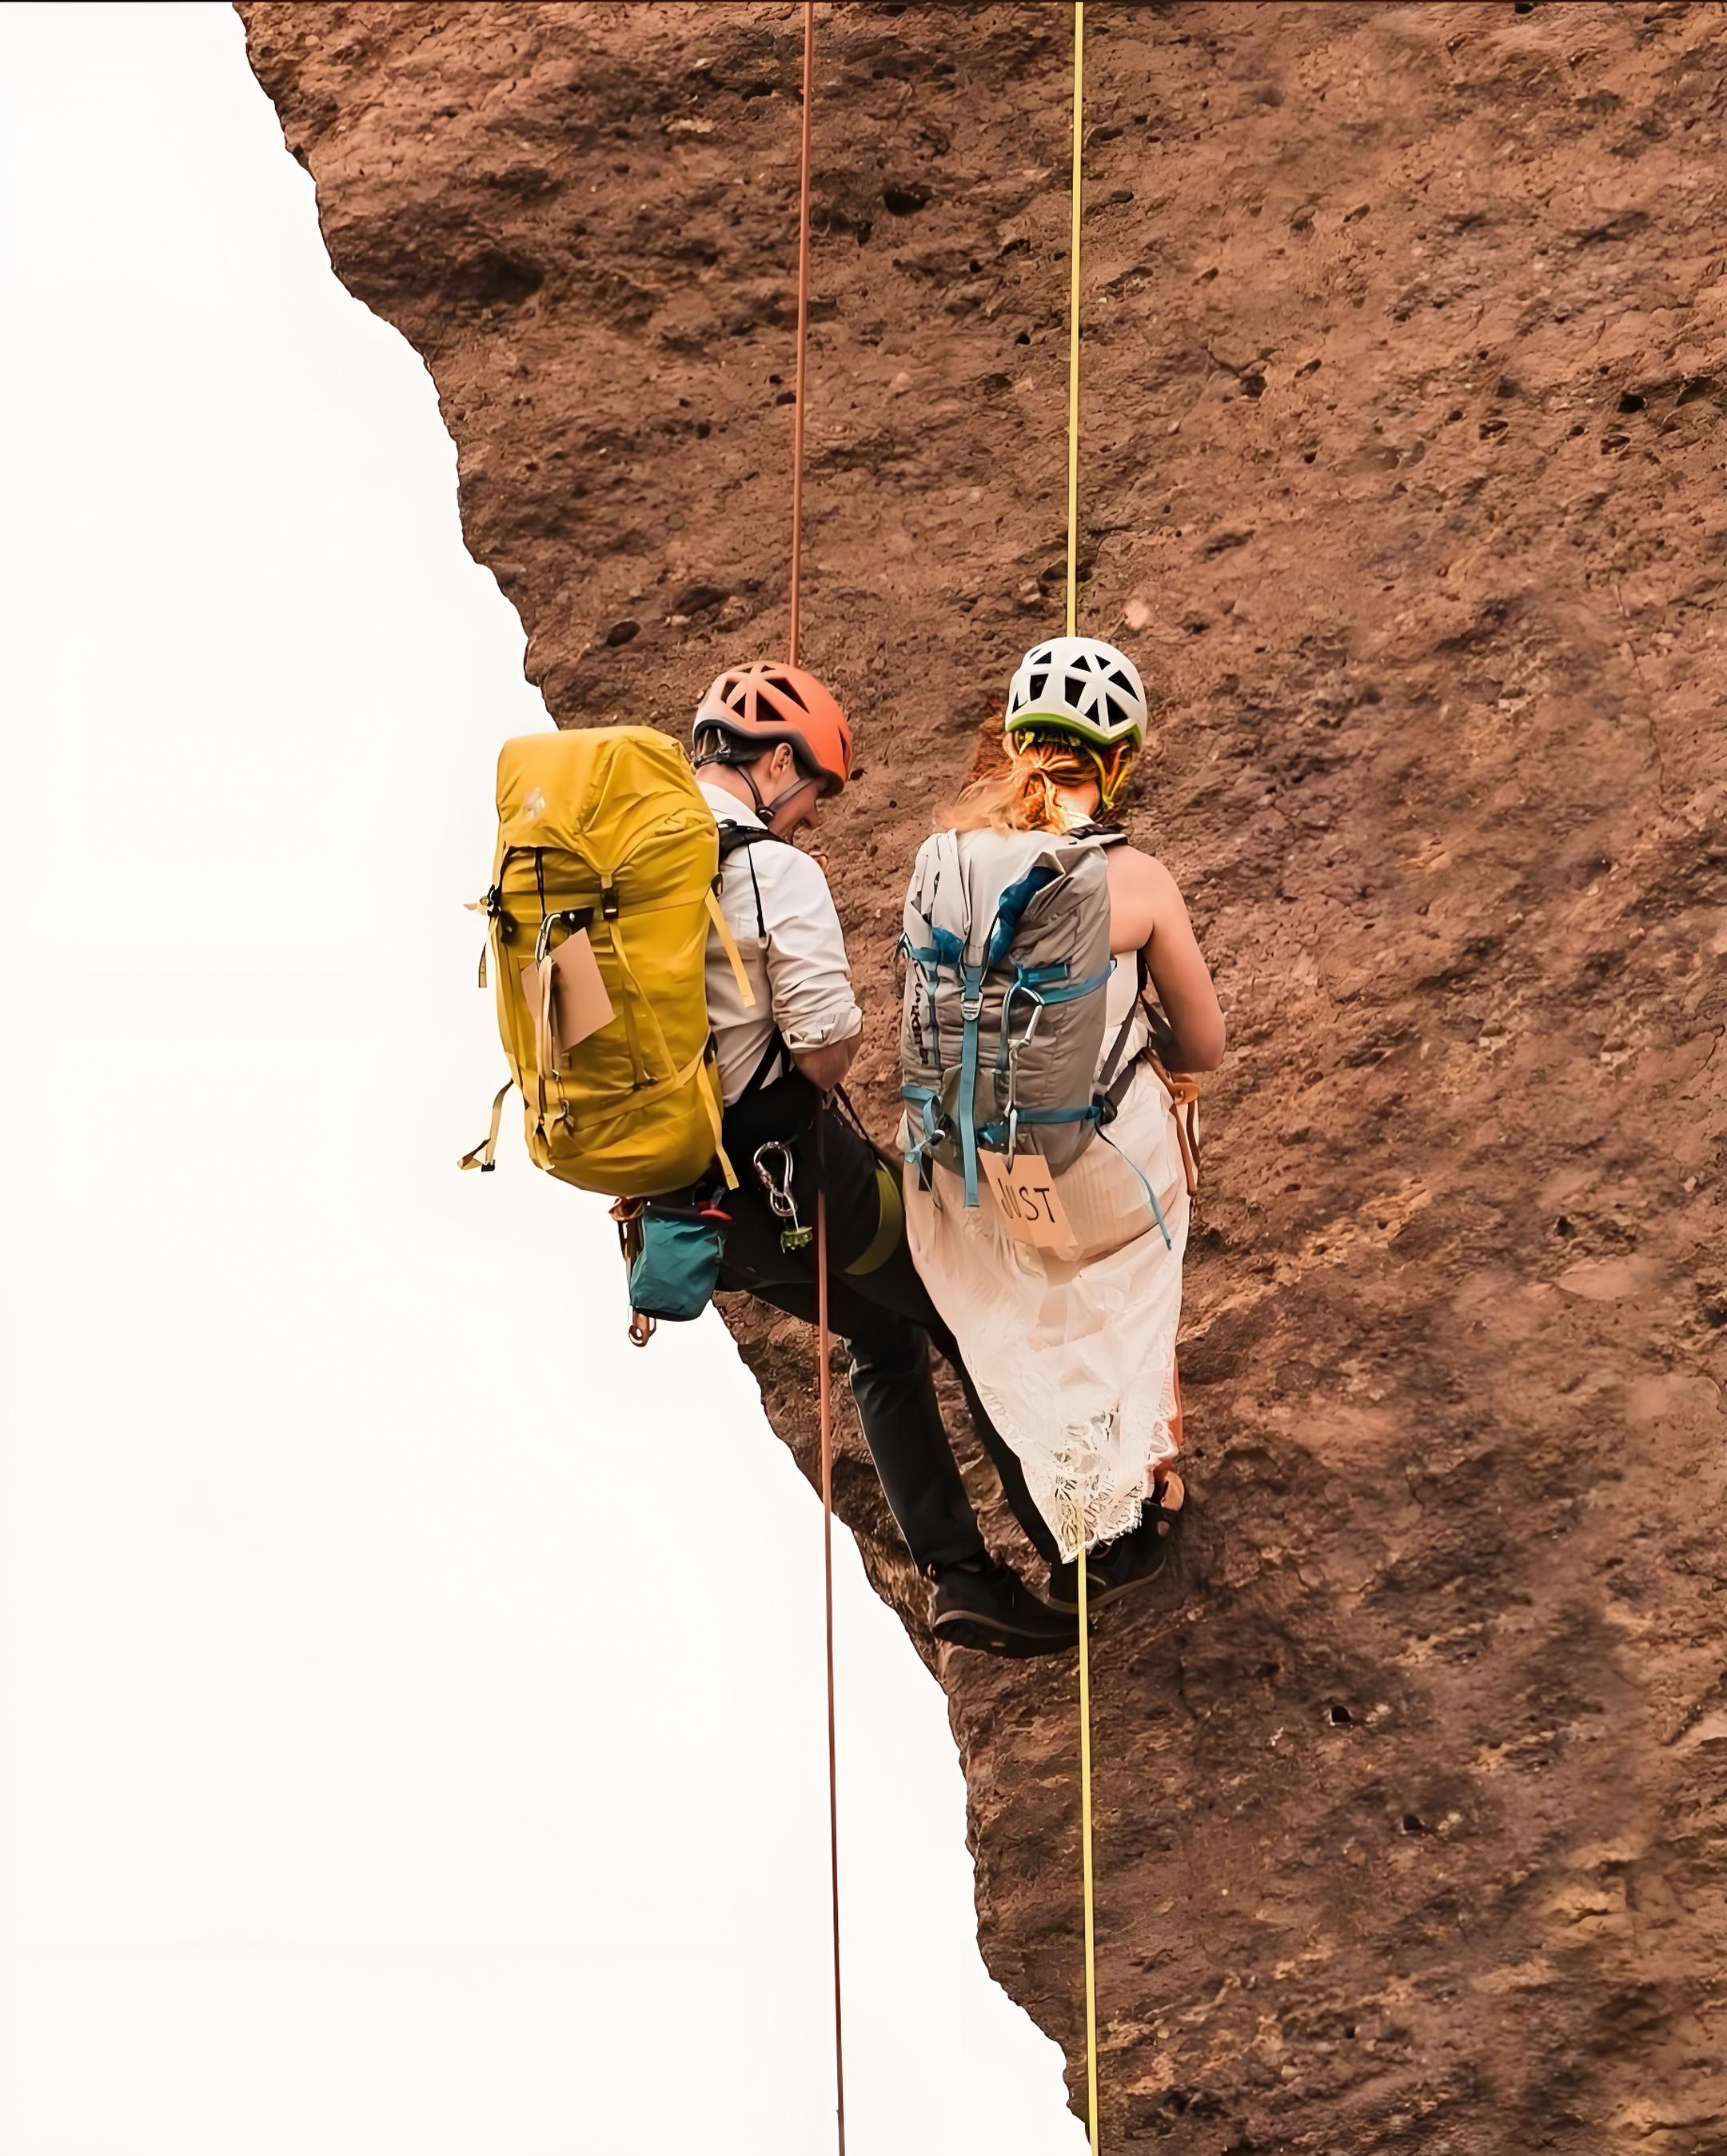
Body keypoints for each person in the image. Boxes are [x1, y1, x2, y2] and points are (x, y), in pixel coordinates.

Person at [690, 660, 1075, 1656]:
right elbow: (822, 1047)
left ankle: (961, 1575)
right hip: (792, 1180)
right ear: (777, 761)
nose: (813, 816)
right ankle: (1072, 1544)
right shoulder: (768, 869)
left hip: (693, 1216)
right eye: (815, 788)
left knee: (883, 1333)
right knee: (969, 1291)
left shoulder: (617, 872)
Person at [901, 635, 1226, 1611]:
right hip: (1093, 1174)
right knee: (1171, 1120)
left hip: (965, 1179)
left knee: (1037, 1281)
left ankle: (1074, 1493)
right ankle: (1152, 1457)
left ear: (1006, 741)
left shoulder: (937, 860)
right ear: (1116, 761)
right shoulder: (1136, 879)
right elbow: (1204, 1044)